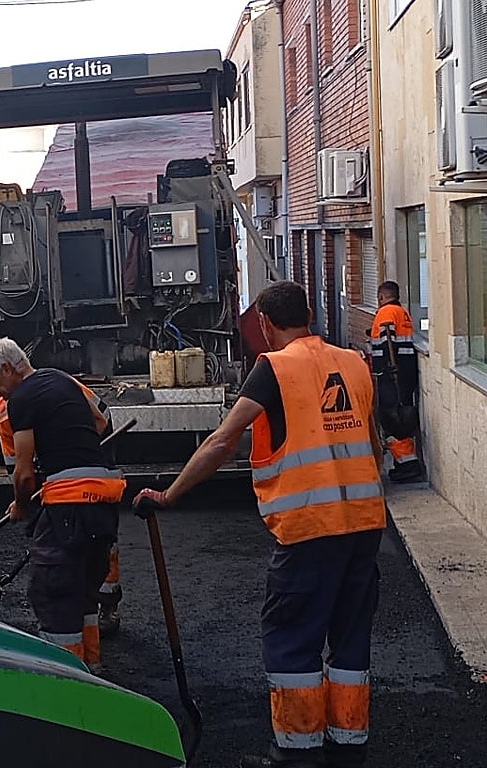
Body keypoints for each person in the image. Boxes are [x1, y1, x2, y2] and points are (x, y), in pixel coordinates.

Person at [134, 281, 385, 768]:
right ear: (308, 315)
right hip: (364, 525)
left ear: (265, 324)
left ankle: (297, 752)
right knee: (351, 637)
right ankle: (348, 744)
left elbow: (222, 441)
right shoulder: (354, 363)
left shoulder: (274, 368)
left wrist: (169, 494)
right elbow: (372, 444)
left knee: (292, 639)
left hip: (310, 528)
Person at [0, 337, 124, 674]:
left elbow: (24, 474)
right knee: (85, 589)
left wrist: (20, 505)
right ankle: (92, 666)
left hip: (69, 503)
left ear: (8, 369)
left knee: (54, 592)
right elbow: (100, 423)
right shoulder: (60, 379)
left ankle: (66, 677)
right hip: (104, 496)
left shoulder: (21, 399)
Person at [369, 281, 423, 482]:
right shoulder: (403, 313)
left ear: (381, 297)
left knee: (393, 419)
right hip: (405, 374)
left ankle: (407, 464)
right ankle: (406, 462)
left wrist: (387, 370)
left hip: (391, 376)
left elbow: (388, 343)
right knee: (402, 417)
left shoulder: (385, 313)